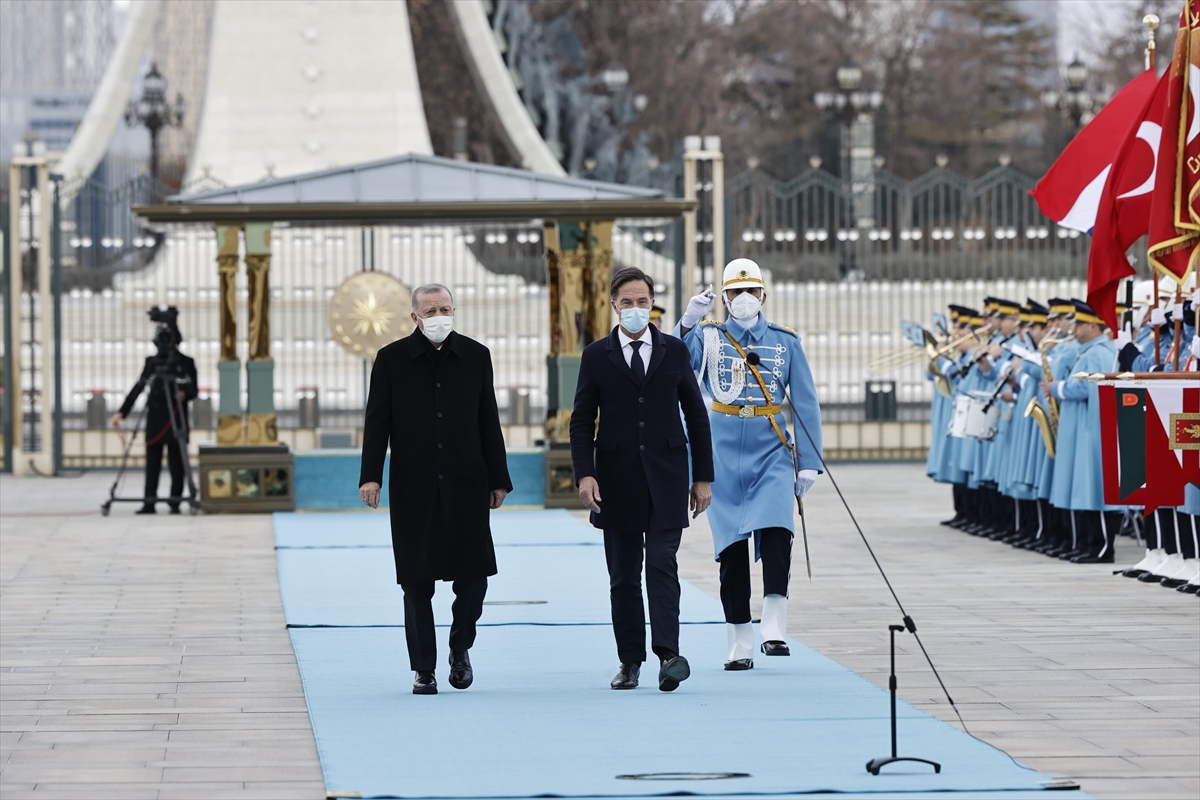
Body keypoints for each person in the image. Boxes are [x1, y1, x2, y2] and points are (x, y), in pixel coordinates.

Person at [359, 284, 512, 696]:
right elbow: (378, 422)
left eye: (445, 308)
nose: (439, 316)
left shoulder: (476, 356)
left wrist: (499, 478)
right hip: (414, 486)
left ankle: (459, 649)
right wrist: (370, 475)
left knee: (474, 577)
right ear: (414, 317)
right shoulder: (391, 360)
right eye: (430, 310)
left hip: (468, 483)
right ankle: (423, 669)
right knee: (416, 581)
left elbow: (488, 420)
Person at [570, 266, 714, 692]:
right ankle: (629, 661)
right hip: (615, 483)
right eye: (627, 302)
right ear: (614, 305)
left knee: (662, 567)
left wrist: (702, 476)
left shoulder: (673, 350)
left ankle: (668, 654)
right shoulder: (596, 355)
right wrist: (586, 474)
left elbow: (696, 415)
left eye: (643, 302)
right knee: (623, 577)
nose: (636, 309)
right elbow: (581, 421)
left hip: (668, 479)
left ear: (653, 304)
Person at [674, 258, 823, 670]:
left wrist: (808, 462)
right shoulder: (709, 337)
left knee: (778, 531)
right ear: (722, 298)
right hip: (720, 449)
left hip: (771, 445)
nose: (743, 299)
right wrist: (687, 324)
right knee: (731, 550)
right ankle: (739, 637)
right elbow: (675, 366)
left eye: (750, 292)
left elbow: (806, 401)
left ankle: (774, 624)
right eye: (735, 293)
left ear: (763, 296)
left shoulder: (785, 341)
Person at [111, 324, 198, 514]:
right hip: (156, 417)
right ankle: (149, 501)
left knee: (177, 463)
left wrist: (184, 393)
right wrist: (122, 412)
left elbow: (194, 389)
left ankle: (175, 501)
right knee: (152, 462)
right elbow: (139, 386)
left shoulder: (185, 362)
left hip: (176, 417)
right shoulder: (152, 362)